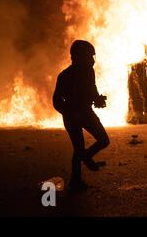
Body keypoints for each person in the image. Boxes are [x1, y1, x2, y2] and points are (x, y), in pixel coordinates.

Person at [52, 40, 110, 191]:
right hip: (72, 117)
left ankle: (85, 157)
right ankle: (75, 181)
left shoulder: (89, 72)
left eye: (92, 57)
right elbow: (56, 101)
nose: (92, 60)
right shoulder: (65, 76)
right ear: (78, 57)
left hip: (86, 112)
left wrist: (97, 99)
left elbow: (92, 88)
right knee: (78, 147)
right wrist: (70, 112)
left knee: (103, 140)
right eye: (89, 56)